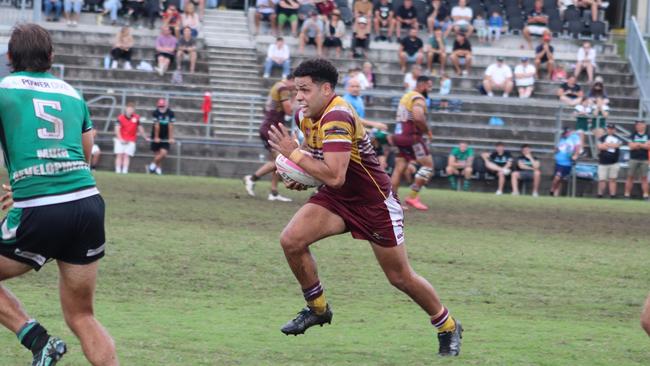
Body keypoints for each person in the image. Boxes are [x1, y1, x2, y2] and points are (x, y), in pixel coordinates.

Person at [267, 60, 463, 356]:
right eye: (297, 90)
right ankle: (318, 309)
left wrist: (293, 153)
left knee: (400, 278)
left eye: (305, 90)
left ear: (326, 88)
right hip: (337, 199)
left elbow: (334, 174)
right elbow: (316, 157)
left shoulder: (338, 116)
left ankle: (447, 325)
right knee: (291, 240)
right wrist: (300, 175)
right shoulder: (305, 116)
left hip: (373, 204)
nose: (298, 97)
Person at [0, 23, 118, 365]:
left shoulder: (4, 89)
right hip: (87, 204)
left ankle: (38, 340)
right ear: (51, 57)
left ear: (9, 58)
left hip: (40, 207)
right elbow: (85, 152)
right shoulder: (72, 93)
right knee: (82, 316)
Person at [244, 76, 295, 202]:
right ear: (292, 79)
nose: (296, 86)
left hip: (270, 126)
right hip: (271, 128)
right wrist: (295, 98)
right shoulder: (283, 88)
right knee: (280, 160)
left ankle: (273, 192)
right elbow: (289, 111)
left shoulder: (277, 85)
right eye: (296, 83)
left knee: (277, 160)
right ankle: (252, 178)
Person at [390, 76, 436, 210]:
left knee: (399, 168)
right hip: (412, 137)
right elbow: (418, 117)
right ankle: (413, 196)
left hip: (398, 135)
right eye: (429, 86)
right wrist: (427, 131)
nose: (430, 89)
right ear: (422, 85)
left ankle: (392, 203)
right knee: (428, 166)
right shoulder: (418, 98)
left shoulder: (406, 96)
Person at [114, 102, 148, 174]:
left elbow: (140, 128)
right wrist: (120, 139)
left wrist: (145, 137)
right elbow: (117, 129)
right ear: (126, 109)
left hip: (131, 140)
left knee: (126, 155)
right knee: (119, 155)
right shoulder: (120, 118)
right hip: (121, 139)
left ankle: (125, 171)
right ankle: (118, 171)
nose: (130, 111)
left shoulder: (136, 118)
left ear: (133, 110)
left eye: (131, 109)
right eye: (129, 109)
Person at [147, 99, 175, 175]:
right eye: (160, 106)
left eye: (163, 106)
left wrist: (170, 137)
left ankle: (152, 166)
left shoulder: (171, 113)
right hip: (156, 134)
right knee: (157, 154)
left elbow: (171, 126)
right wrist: (156, 137)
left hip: (165, 135)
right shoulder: (155, 113)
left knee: (163, 153)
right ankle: (158, 171)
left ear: (166, 106)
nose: (161, 108)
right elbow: (156, 126)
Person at [623, 121, 650, 200]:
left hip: (644, 159)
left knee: (644, 178)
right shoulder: (632, 135)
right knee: (630, 177)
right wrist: (643, 145)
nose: (638, 126)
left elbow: (648, 147)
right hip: (633, 159)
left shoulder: (648, 135)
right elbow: (630, 146)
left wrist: (637, 144)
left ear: (644, 126)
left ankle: (645, 195)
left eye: (640, 125)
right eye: (637, 125)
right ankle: (626, 195)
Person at [550, 127, 580, 197]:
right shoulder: (562, 140)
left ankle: (555, 193)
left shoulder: (573, 139)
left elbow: (576, 149)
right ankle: (552, 189)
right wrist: (555, 152)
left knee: (561, 179)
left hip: (567, 163)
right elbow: (557, 149)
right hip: (559, 163)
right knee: (557, 177)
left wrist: (574, 156)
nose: (567, 134)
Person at [596, 123, 621, 198]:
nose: (610, 130)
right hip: (603, 162)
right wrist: (611, 145)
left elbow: (617, 145)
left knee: (613, 179)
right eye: (609, 129)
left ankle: (612, 195)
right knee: (602, 179)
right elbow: (600, 147)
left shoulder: (618, 138)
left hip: (614, 162)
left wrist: (607, 145)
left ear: (614, 130)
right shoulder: (602, 137)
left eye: (612, 129)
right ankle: (600, 194)